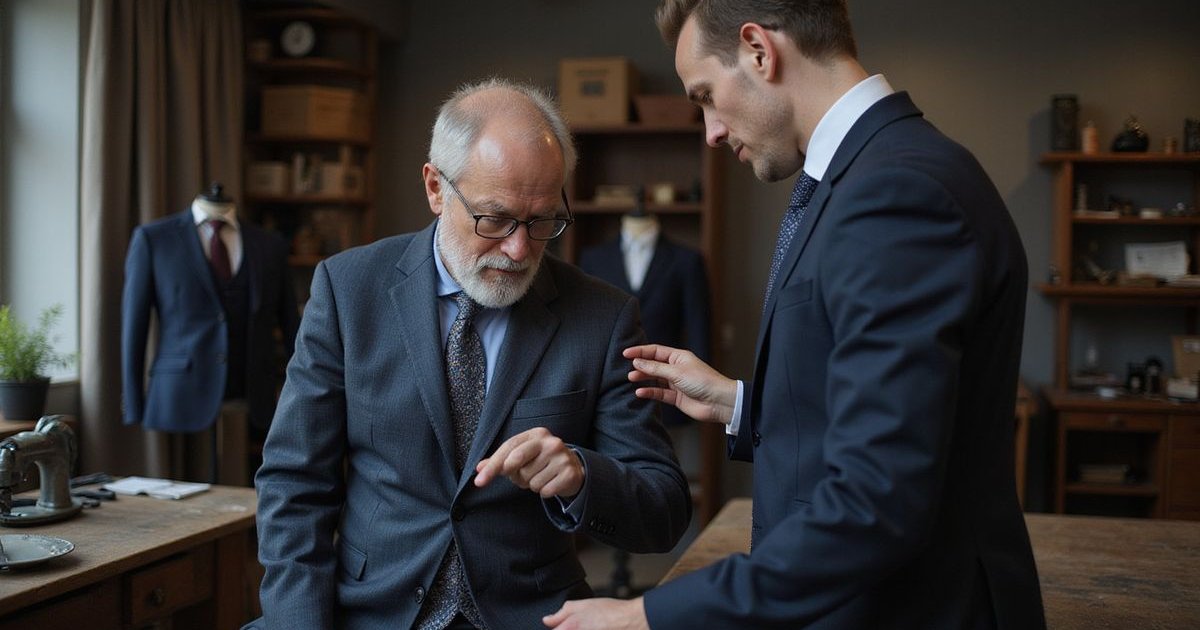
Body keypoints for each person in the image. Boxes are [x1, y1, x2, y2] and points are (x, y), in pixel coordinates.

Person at [545, 1, 1045, 628]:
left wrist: (648, 616)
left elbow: (875, 499)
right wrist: (739, 404)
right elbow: (900, 415)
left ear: (759, 50)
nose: (710, 131)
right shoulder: (865, 175)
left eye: (704, 95)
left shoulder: (897, 192)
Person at [249, 78, 691, 630]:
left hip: (532, 616)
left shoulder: (602, 317)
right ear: (436, 188)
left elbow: (664, 512)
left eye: (543, 221)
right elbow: (295, 484)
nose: (519, 248)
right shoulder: (347, 290)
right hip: (370, 613)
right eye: (496, 218)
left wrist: (581, 475)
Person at [122, 183, 298, 483]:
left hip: (253, 393)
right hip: (177, 392)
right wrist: (134, 402)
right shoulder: (155, 239)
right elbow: (133, 325)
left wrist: (298, 399)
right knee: (178, 496)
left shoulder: (270, 245)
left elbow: (292, 327)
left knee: (253, 490)